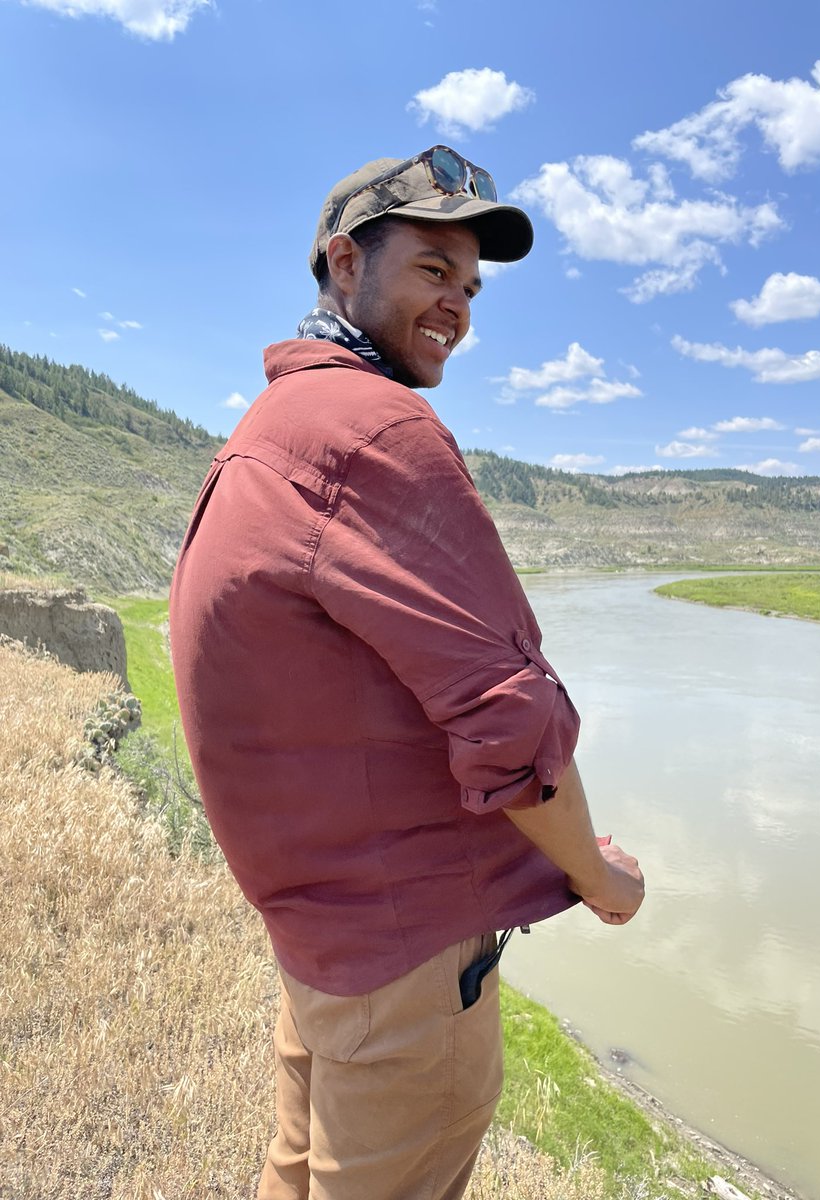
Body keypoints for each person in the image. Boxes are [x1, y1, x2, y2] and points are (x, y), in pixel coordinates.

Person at [168, 145, 645, 1200]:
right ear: (345, 264)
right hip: (407, 956)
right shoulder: (375, 426)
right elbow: (509, 718)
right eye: (433, 270)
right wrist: (599, 877)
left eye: (470, 287)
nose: (459, 306)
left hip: (325, 931)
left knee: (297, 1178)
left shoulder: (268, 431)